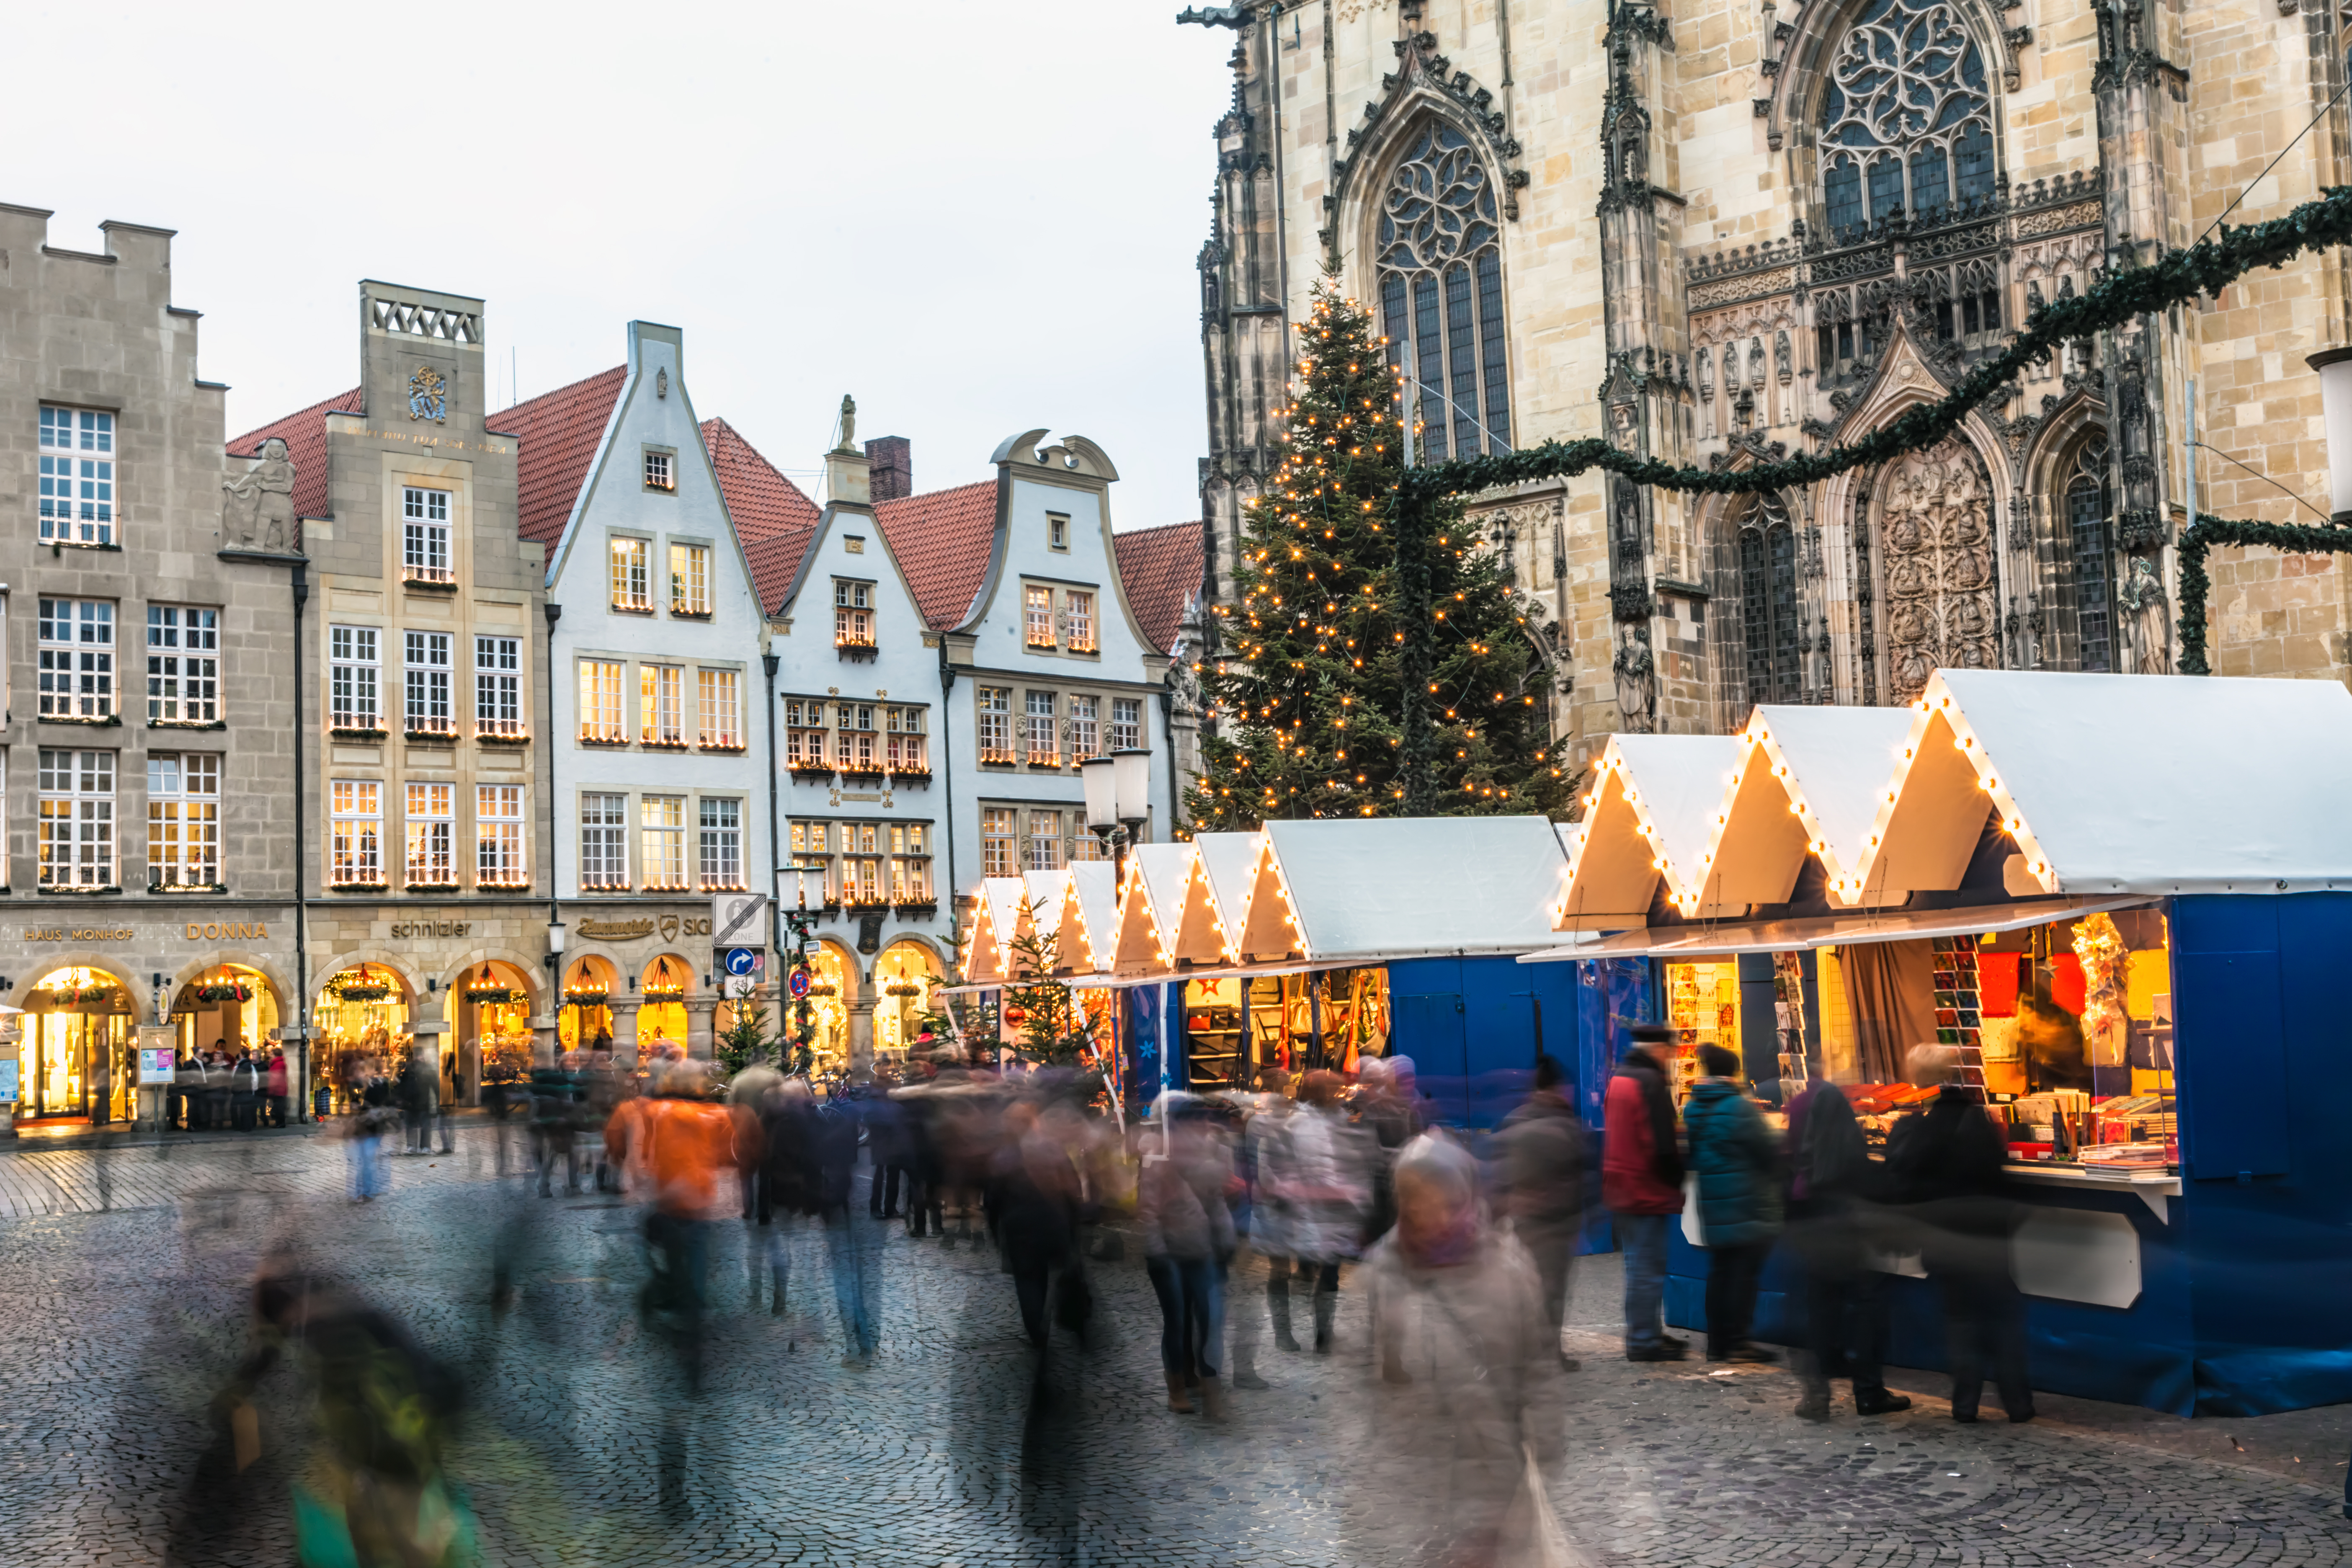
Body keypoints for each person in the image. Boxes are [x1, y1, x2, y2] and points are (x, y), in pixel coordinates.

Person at [1362, 1134, 1564, 1566]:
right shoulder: (1384, 1270)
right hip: (1420, 1473)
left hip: (1494, 1466)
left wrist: (1545, 1442)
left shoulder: (1507, 1266)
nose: (1431, 1215)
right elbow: (1362, 1380)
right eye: (1416, 1201)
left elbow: (1537, 1365)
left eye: (1445, 1202)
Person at [1889, 1043, 2032, 1424]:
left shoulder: (1918, 1129)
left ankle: (1965, 1404)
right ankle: (2018, 1403)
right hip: (1987, 1237)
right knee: (2002, 1320)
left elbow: (1906, 1182)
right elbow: (1997, 1177)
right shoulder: (1978, 1121)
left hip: (1943, 1238)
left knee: (1961, 1322)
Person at [1784, 1065, 1910, 1420]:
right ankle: (1868, 1391)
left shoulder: (1804, 1162)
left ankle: (1817, 1394)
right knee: (1867, 1306)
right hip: (1845, 1236)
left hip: (1811, 1235)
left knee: (1820, 1310)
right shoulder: (1848, 1158)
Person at [1258, 1068, 1372, 1354]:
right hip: (1307, 1210)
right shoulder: (1302, 1123)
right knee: (1294, 1271)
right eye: (1332, 1089)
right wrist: (1348, 1195)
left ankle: (1323, 1332)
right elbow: (1317, 1170)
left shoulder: (1336, 1119)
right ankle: (1292, 1333)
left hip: (1324, 1211)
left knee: (1328, 1272)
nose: (1339, 1094)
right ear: (1319, 1093)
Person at [1682, 1043, 1783, 1363]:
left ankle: (1717, 1344)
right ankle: (1738, 1343)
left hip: (1712, 1202)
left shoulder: (1694, 1107)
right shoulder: (1739, 1107)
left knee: (1721, 1273)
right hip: (1745, 1202)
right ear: (1734, 1072)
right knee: (1743, 1275)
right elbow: (1766, 1149)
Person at [1139, 1096, 1235, 1417]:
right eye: (1197, 1118)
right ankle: (1177, 1389)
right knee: (1177, 1319)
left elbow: (1216, 1200)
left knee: (1208, 1319)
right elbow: (1149, 1210)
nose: (1205, 1124)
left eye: (1205, 1118)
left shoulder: (1209, 1153)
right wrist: (1157, 1251)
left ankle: (1207, 1384)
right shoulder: (1158, 1157)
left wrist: (1225, 1238)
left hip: (1202, 1249)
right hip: (1168, 1253)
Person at [1493, 1053, 1587, 1371]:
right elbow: (1579, 1176)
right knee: (1551, 1292)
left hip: (1522, 1221)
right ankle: (1547, 1353)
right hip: (1554, 1225)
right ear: (1558, 1088)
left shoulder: (1515, 1120)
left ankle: (1523, 1351)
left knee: (1522, 1288)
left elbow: (1498, 1171)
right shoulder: (1564, 1125)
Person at [1602, 1023, 1686, 1361]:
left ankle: (1647, 1331)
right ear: (1659, 1050)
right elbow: (1662, 1144)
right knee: (1647, 1271)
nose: (1671, 1057)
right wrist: (1678, 1179)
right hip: (1645, 1189)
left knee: (1636, 1266)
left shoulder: (1619, 1077)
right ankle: (1643, 1341)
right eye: (1670, 1052)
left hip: (1622, 1187)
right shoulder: (1650, 1082)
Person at [265, 1049, 289, 1131]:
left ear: (275, 1055)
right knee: (278, 1107)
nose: (270, 1055)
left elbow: (276, 1077)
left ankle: (280, 1124)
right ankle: (279, 1123)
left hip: (278, 1090)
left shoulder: (279, 1064)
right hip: (278, 1089)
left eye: (272, 1054)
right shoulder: (276, 1063)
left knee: (279, 1108)